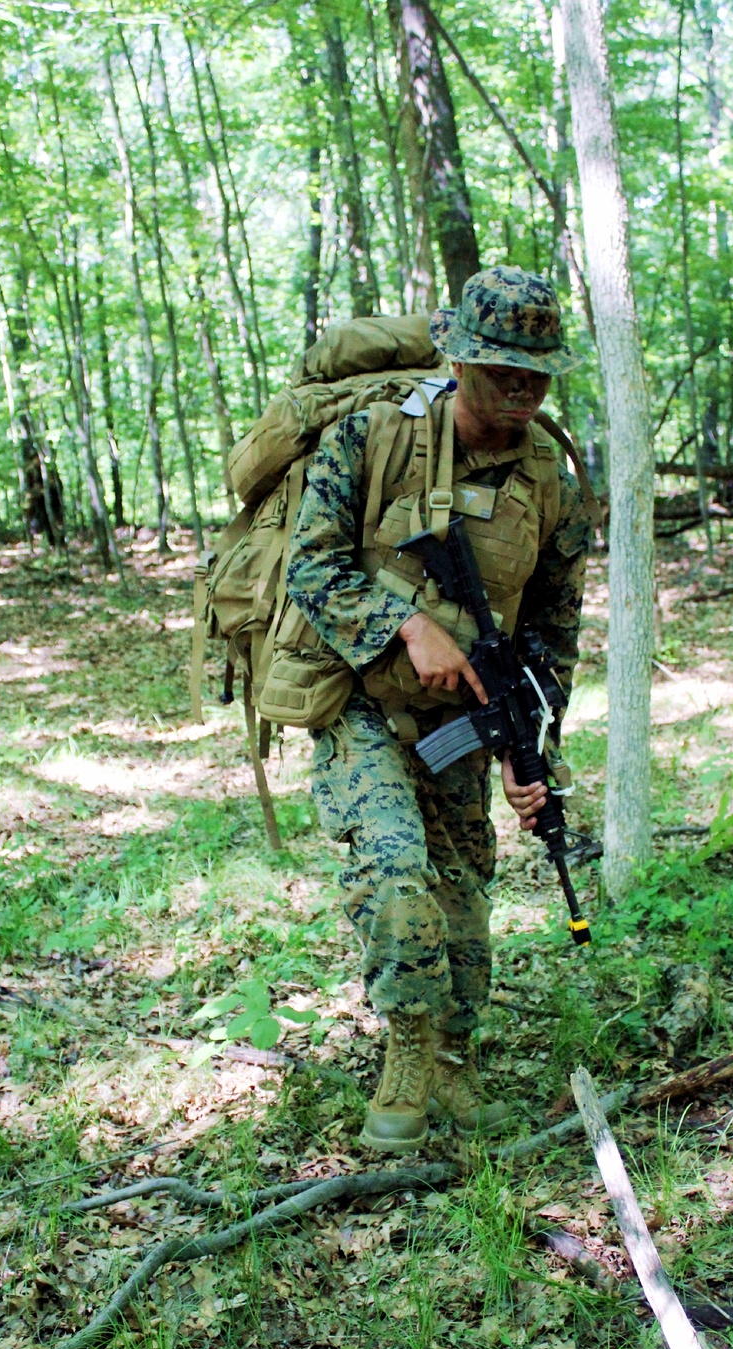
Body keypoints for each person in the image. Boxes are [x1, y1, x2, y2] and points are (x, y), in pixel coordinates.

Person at [285, 266, 595, 1152]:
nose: (524, 390)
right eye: (504, 372)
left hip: (462, 720)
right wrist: (406, 623)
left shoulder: (552, 483)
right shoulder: (374, 438)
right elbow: (311, 568)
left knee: (463, 891)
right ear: (460, 359)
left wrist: (526, 744)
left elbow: (552, 630)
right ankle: (409, 1053)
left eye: (537, 373)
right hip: (360, 701)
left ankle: (456, 1063)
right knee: (394, 871)